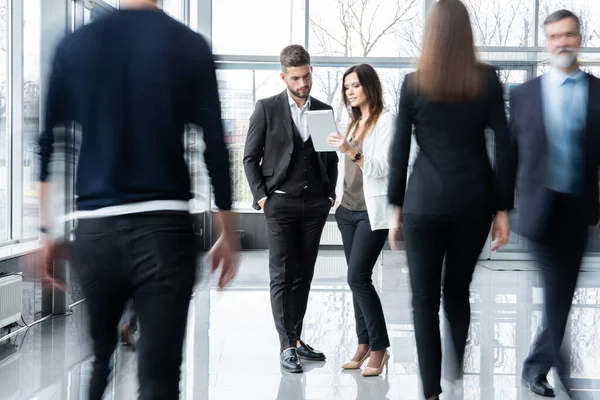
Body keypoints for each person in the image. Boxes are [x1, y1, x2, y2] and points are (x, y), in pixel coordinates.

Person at [37, 1, 240, 399]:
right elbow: (216, 147)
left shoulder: (76, 44)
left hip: (97, 230)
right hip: (165, 232)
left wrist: (47, 231)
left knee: (99, 361)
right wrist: (228, 233)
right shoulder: (190, 46)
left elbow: (49, 146)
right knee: (160, 380)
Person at [387, 0, 512, 398]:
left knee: (423, 299)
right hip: (473, 204)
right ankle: (455, 371)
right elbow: (505, 147)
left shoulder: (413, 83)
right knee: (457, 290)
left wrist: (395, 208)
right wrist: (502, 208)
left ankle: (430, 391)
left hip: (424, 202)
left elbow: (398, 150)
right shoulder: (488, 80)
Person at [511, 10, 600, 399]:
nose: (562, 42)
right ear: (547, 42)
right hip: (539, 212)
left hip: (579, 213)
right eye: (554, 36)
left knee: (560, 296)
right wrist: (500, 209)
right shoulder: (525, 94)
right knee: (557, 293)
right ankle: (558, 375)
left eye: (568, 35)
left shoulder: (598, 93)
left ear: (579, 39)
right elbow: (510, 157)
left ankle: (535, 366)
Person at [243, 45, 338, 373]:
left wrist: (330, 196)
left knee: (305, 273)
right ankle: (286, 345)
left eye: (307, 75)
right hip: (280, 202)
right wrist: (263, 197)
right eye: (296, 78)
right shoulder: (266, 109)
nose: (303, 83)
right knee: (282, 273)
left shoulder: (323, 111)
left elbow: (331, 157)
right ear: (283, 77)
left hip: (315, 206)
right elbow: (249, 157)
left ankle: (295, 339)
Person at [326, 64, 395, 377]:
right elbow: (346, 169)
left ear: (369, 86)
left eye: (354, 85)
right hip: (347, 211)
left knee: (358, 277)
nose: (349, 91)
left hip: (371, 213)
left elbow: (382, 168)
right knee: (356, 281)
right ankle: (363, 342)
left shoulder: (385, 121)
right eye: (346, 87)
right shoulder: (352, 122)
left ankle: (380, 347)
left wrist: (350, 150)